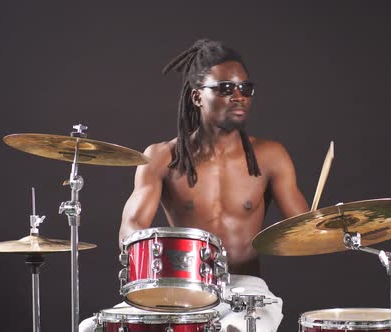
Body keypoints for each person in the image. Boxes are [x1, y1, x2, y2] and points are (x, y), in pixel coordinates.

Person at [79, 38, 309, 332]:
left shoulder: (271, 156)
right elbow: (133, 222)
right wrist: (142, 254)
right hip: (182, 289)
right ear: (197, 96)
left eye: (245, 88)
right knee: (91, 327)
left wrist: (327, 226)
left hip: (246, 289)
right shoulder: (161, 156)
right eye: (225, 88)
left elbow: (302, 228)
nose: (238, 96)